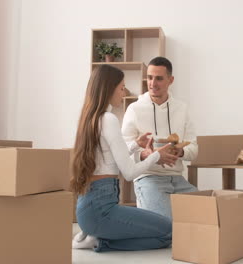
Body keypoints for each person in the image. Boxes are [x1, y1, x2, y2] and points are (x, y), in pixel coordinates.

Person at [70, 64, 178, 252]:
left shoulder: (92, 118)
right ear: (109, 88)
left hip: (89, 209)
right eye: (121, 88)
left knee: (163, 229)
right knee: (168, 231)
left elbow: (109, 159)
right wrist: (156, 156)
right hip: (101, 211)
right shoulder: (109, 119)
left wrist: (136, 144)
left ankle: (93, 237)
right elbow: (129, 172)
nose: (123, 92)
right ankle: (99, 242)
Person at [122, 57, 198, 219]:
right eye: (149, 77)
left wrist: (180, 152)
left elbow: (194, 149)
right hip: (148, 177)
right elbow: (123, 151)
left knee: (207, 216)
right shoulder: (134, 109)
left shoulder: (182, 108)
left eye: (159, 78)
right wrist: (145, 155)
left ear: (170, 80)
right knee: (165, 226)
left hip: (178, 179)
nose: (152, 83)